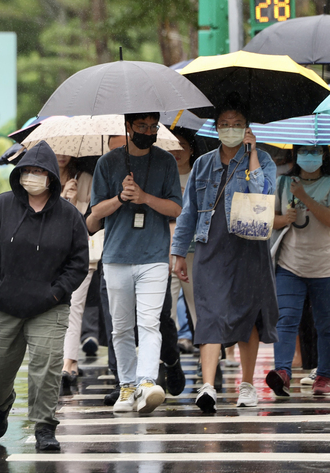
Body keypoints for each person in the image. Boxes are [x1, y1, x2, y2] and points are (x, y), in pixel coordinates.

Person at [0, 140, 88, 451]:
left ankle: (44, 425)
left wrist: (56, 293)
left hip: (48, 306)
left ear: (52, 175)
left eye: (40, 171)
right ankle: (1, 404)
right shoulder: (0, 206)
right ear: (19, 173)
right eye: (28, 171)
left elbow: (78, 263)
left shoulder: (69, 216)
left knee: (47, 365)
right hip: (2, 304)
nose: (33, 176)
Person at [172, 94, 278, 413]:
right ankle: (207, 386)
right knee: (210, 313)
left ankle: (246, 384)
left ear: (247, 127)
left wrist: (253, 153)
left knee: (248, 315)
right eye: (224, 125)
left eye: (236, 125)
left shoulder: (262, 160)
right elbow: (189, 212)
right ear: (215, 128)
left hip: (249, 248)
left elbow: (265, 194)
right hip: (210, 246)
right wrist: (178, 252)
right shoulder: (203, 164)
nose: (230, 129)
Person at [90, 112, 182, 414]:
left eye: (153, 126)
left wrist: (144, 197)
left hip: (154, 256)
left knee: (149, 323)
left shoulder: (166, 161)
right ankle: (127, 385)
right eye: (142, 126)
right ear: (128, 127)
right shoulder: (107, 163)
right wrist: (121, 197)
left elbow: (176, 208)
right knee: (120, 328)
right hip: (116, 257)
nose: (148, 131)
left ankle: (145, 381)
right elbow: (95, 213)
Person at [266, 145, 330, 396]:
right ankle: (282, 372)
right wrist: (284, 219)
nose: (310, 156)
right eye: (304, 150)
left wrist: (304, 197)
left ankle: (324, 375)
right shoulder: (282, 183)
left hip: (325, 267)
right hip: (289, 265)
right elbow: (268, 219)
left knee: (325, 325)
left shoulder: (327, 183)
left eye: (315, 151)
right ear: (295, 154)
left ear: (324, 155)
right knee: (286, 319)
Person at [56, 153, 97, 387]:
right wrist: (62, 198)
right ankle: (62, 360)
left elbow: (90, 223)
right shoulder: (44, 178)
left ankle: (69, 361)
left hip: (81, 253)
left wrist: (73, 202)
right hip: (51, 254)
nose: (61, 156)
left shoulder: (86, 179)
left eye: (65, 152)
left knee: (75, 307)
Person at [167, 129, 199, 353]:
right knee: (165, 309)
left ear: (192, 150)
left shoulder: (199, 175)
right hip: (165, 250)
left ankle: (209, 361)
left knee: (198, 307)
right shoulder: (161, 176)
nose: (177, 151)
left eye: (183, 146)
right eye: (173, 146)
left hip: (194, 249)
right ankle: (167, 359)